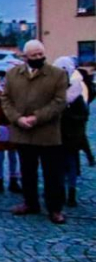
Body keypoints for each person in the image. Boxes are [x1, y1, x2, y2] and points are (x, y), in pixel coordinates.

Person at [2, 41, 68, 224]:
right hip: (23, 132)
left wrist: (36, 117)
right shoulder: (13, 74)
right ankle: (30, 203)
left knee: (52, 173)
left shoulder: (58, 74)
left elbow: (59, 102)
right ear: (25, 57)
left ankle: (55, 208)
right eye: (34, 55)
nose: (38, 58)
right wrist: (17, 118)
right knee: (27, 171)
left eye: (41, 54)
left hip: (47, 133)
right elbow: (5, 99)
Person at [53, 56, 88, 208]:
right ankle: (59, 192)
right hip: (56, 135)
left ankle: (71, 194)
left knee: (71, 165)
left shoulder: (76, 91)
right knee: (58, 166)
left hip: (71, 136)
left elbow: (83, 114)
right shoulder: (53, 89)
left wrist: (66, 115)